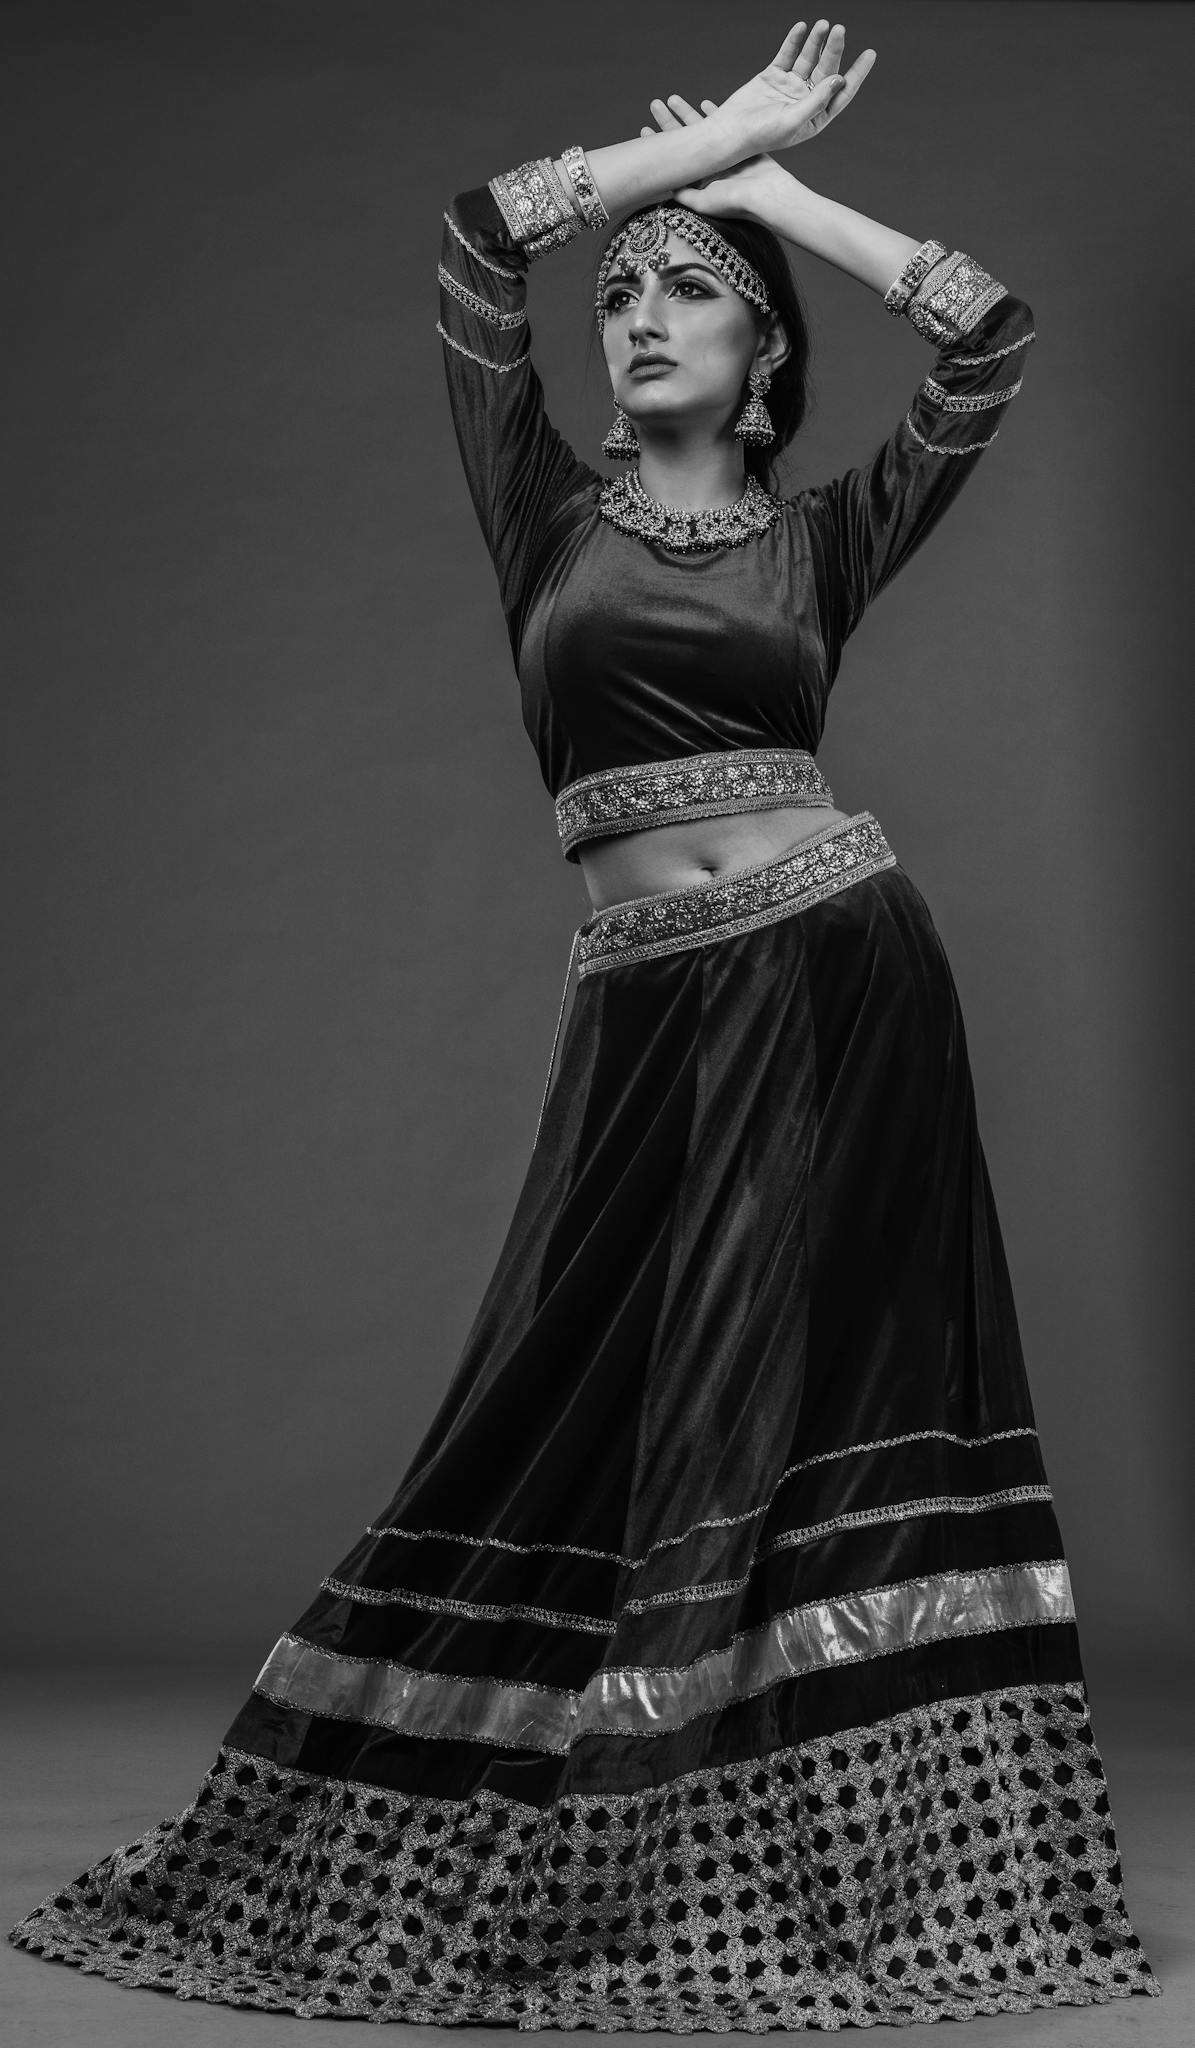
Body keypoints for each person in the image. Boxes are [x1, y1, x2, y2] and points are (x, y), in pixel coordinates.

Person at [9, 18, 1160, 2032]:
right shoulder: (539, 508)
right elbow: (478, 247)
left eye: (691, 290)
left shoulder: (827, 537)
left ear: (765, 358)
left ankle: (771, 1840)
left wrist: (776, 193)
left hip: (843, 983)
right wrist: (678, 161)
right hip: (650, 1014)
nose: (639, 310)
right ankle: (616, 1804)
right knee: (578, 1395)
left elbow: (989, 341)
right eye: (622, 289)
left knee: (767, 1400)